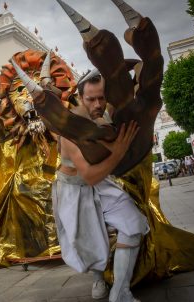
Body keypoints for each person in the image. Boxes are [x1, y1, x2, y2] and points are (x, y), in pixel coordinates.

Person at [53, 72, 149, 302]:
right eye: (91, 99)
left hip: (101, 183)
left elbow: (133, 81)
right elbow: (90, 175)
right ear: (80, 97)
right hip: (75, 189)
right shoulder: (71, 130)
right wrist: (118, 151)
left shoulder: (105, 112)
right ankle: (98, 278)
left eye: (101, 98)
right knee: (91, 245)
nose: (97, 104)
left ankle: (120, 292)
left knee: (133, 224)